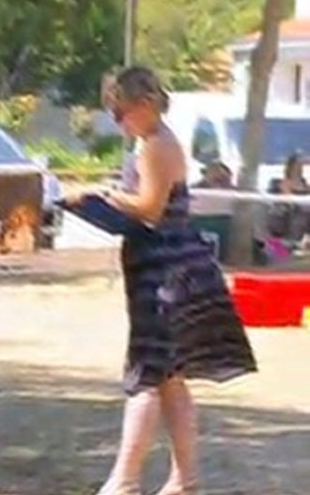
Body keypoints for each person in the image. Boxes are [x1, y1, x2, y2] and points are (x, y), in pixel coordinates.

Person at [71, 67, 256, 495]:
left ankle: (125, 480)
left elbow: (151, 209)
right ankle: (184, 479)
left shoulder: (156, 145)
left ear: (146, 104)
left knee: (147, 374)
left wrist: (104, 196)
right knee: (170, 379)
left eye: (122, 111)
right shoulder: (153, 142)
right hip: (164, 266)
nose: (118, 120)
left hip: (165, 272)